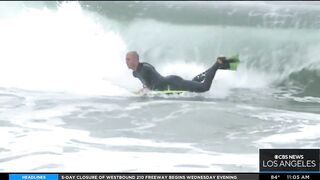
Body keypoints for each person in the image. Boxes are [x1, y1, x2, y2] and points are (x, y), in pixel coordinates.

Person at [125, 51, 231, 93]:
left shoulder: (145, 68)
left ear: (136, 59)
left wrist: (142, 92)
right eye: (126, 59)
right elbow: (148, 84)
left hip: (174, 84)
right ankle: (222, 65)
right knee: (194, 82)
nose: (126, 61)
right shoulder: (135, 73)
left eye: (128, 59)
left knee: (204, 87)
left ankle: (218, 63)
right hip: (172, 85)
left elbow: (151, 84)